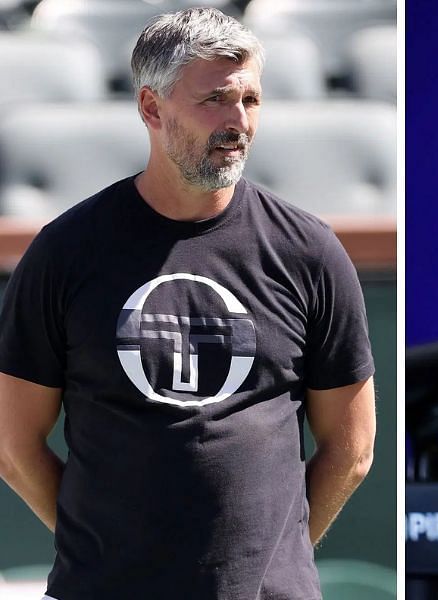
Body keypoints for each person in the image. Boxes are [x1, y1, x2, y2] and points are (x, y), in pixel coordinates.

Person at [0, 8, 376, 599]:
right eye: (216, 101)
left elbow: (351, 450)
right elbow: (13, 443)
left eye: (251, 101)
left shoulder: (308, 250)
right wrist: (101, 549)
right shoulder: (66, 252)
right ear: (151, 108)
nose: (238, 122)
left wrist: (274, 560)